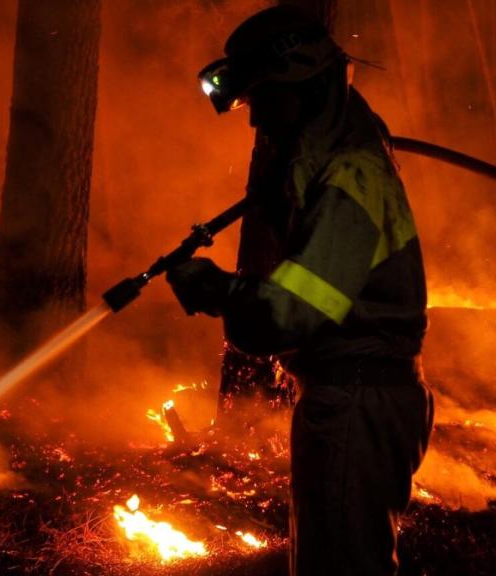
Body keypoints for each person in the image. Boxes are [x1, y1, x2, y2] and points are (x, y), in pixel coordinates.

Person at [166, 6, 434, 575]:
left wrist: (216, 287)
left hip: (356, 398)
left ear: (306, 87)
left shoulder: (348, 178)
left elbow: (288, 315)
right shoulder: (347, 167)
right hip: (359, 395)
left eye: (263, 98)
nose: (254, 119)